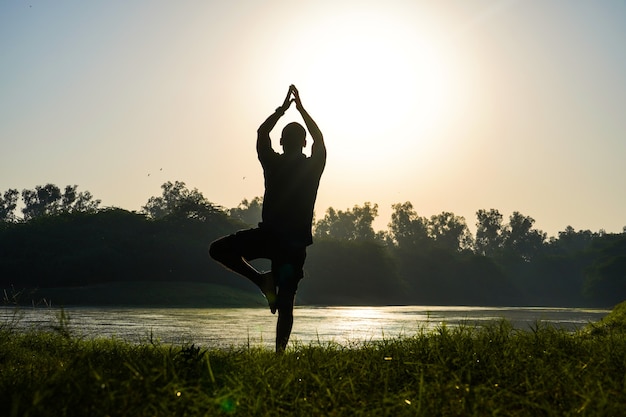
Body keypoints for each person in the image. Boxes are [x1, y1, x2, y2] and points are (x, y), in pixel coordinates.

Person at [209, 85, 326, 352]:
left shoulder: (273, 163)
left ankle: (261, 280)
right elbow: (320, 139)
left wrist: (282, 110)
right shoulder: (312, 166)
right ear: (304, 143)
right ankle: (279, 356)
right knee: (286, 305)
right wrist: (301, 110)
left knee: (218, 250)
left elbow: (262, 133)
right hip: (292, 244)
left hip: (270, 237)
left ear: (282, 143)